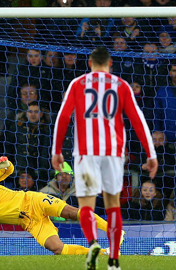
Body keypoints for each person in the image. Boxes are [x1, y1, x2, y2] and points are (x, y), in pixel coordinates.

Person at [51, 47, 157, 270]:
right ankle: (114, 260)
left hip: (85, 153)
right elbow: (138, 120)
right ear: (110, 64)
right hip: (113, 154)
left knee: (86, 206)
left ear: (90, 63)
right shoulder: (121, 85)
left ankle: (92, 244)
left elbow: (63, 117)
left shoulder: (78, 84)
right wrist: (151, 154)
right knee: (112, 206)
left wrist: (56, 150)